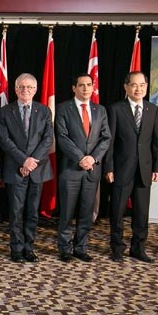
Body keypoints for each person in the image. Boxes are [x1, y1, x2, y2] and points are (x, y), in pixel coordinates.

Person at [104, 71, 158, 263]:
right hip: (121, 169)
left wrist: (157, 167)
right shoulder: (115, 109)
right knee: (117, 211)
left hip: (144, 170)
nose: (138, 89)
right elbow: (110, 142)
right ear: (126, 87)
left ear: (146, 87)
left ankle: (138, 248)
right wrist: (109, 168)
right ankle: (117, 247)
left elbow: (157, 142)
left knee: (141, 213)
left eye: (142, 85)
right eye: (134, 85)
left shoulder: (152, 110)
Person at [54, 73, 110, 262]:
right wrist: (80, 158)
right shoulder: (63, 108)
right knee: (67, 212)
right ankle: (65, 249)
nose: (86, 88)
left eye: (89, 85)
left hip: (92, 170)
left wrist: (93, 158)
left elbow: (105, 137)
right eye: (81, 85)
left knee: (87, 212)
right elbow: (62, 137)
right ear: (74, 88)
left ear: (93, 87)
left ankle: (81, 247)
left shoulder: (100, 110)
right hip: (71, 169)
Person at [0, 73, 53, 263]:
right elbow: (5, 141)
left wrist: (32, 162)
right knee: (15, 212)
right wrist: (23, 161)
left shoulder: (44, 111)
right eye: (21, 87)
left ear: (35, 90)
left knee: (32, 212)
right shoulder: (5, 112)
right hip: (15, 169)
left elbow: (47, 139)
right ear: (15, 90)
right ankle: (16, 249)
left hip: (37, 169)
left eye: (29, 87)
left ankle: (29, 248)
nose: (25, 90)